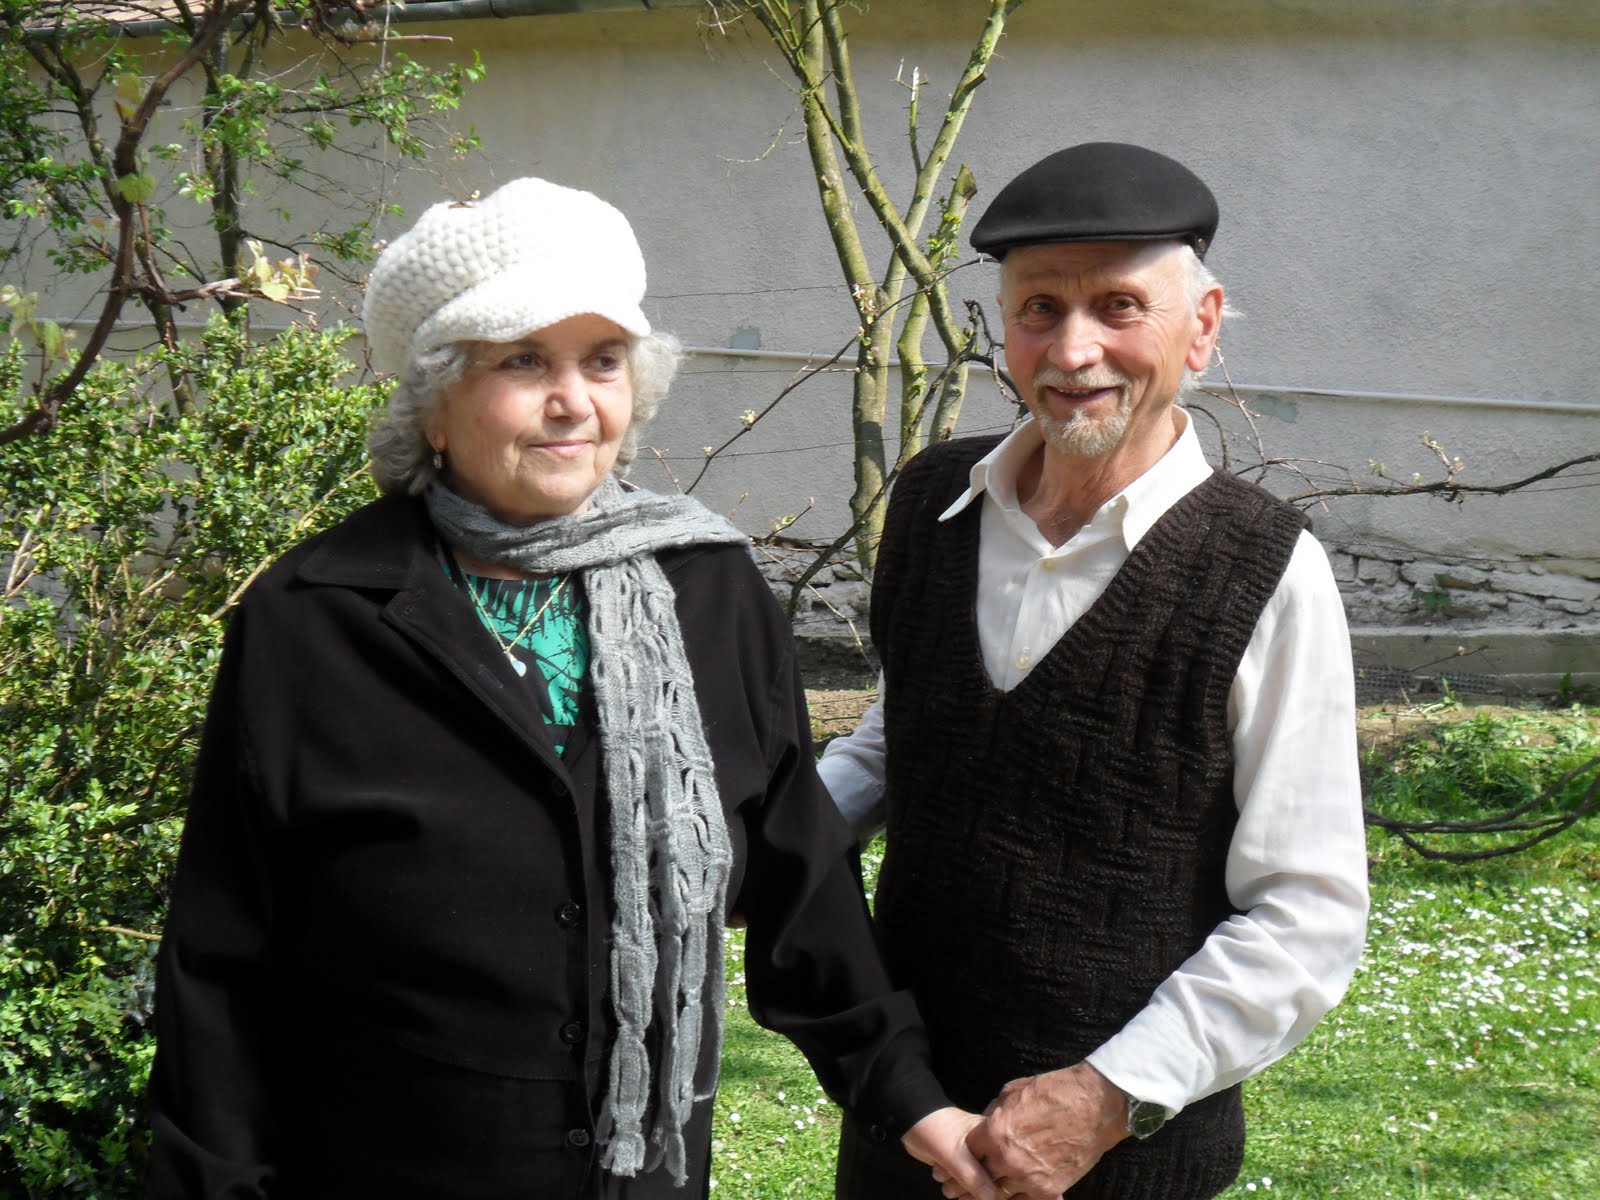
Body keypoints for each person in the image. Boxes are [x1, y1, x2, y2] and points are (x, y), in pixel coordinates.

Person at [146, 177, 1003, 1200]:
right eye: (522, 361)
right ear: (434, 405)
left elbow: (799, 876)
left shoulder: (710, 589)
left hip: (642, 1176)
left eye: (602, 361)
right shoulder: (315, 618)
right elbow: (223, 956)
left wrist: (909, 1095)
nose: (573, 401)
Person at [821, 143, 1370, 1200]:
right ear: (1004, 325)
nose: (1073, 351)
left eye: (1119, 306)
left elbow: (1305, 912)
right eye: (1040, 308)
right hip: (906, 1127)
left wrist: (1106, 1097)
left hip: (1118, 1165)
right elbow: (899, 741)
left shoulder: (1263, 571)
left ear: (1201, 326)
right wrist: (763, 849)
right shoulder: (935, 506)